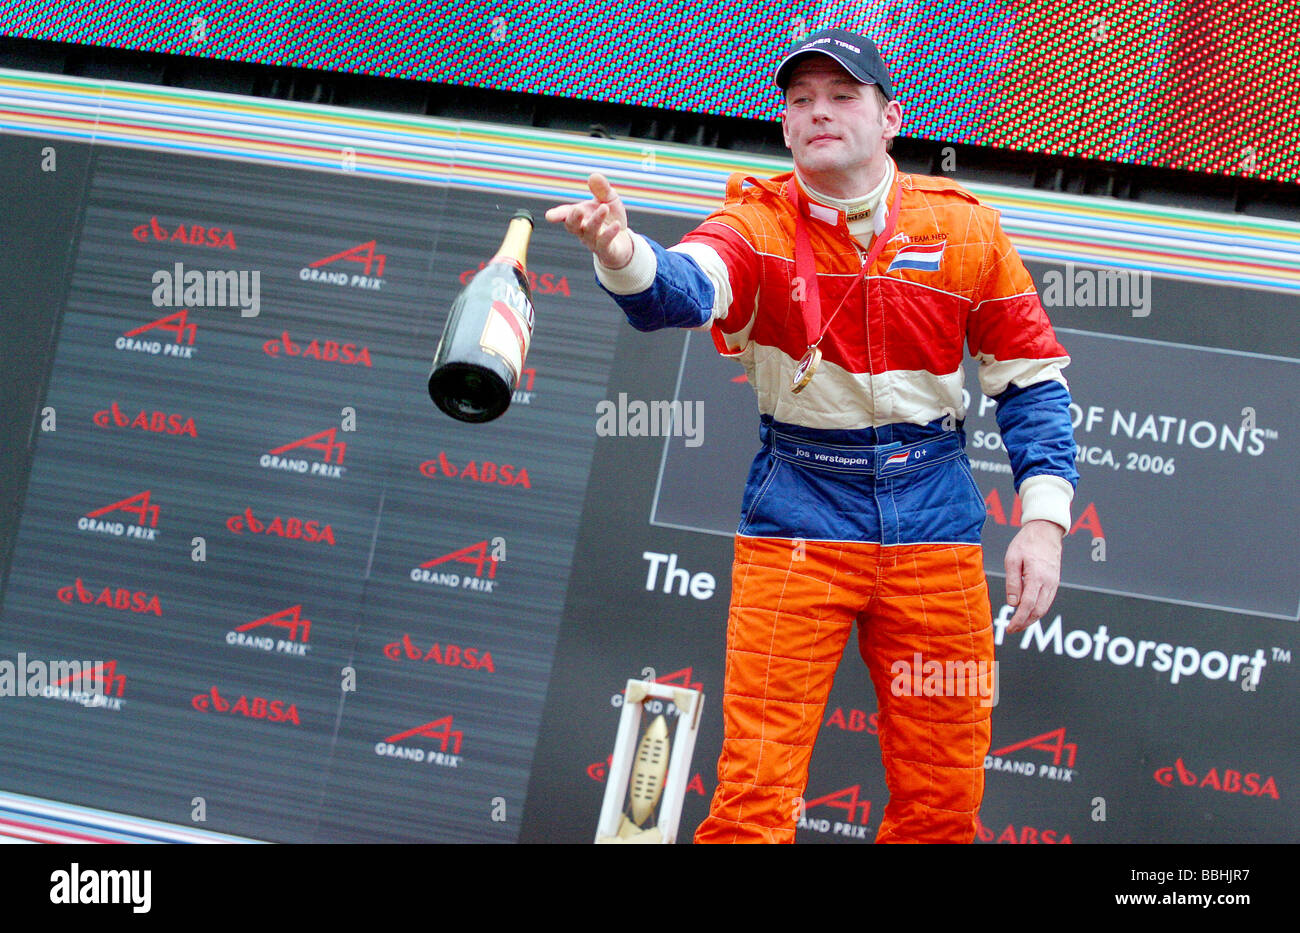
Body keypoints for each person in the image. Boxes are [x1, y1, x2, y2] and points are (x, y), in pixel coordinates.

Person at [546, 27, 1078, 844]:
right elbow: (684, 288)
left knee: (942, 806)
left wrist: (1043, 520)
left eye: (841, 96)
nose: (817, 112)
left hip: (934, 514)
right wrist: (623, 255)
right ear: (786, 126)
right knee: (753, 800)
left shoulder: (966, 230)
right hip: (799, 510)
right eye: (800, 100)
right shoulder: (754, 222)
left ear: (890, 116)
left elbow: (1032, 380)